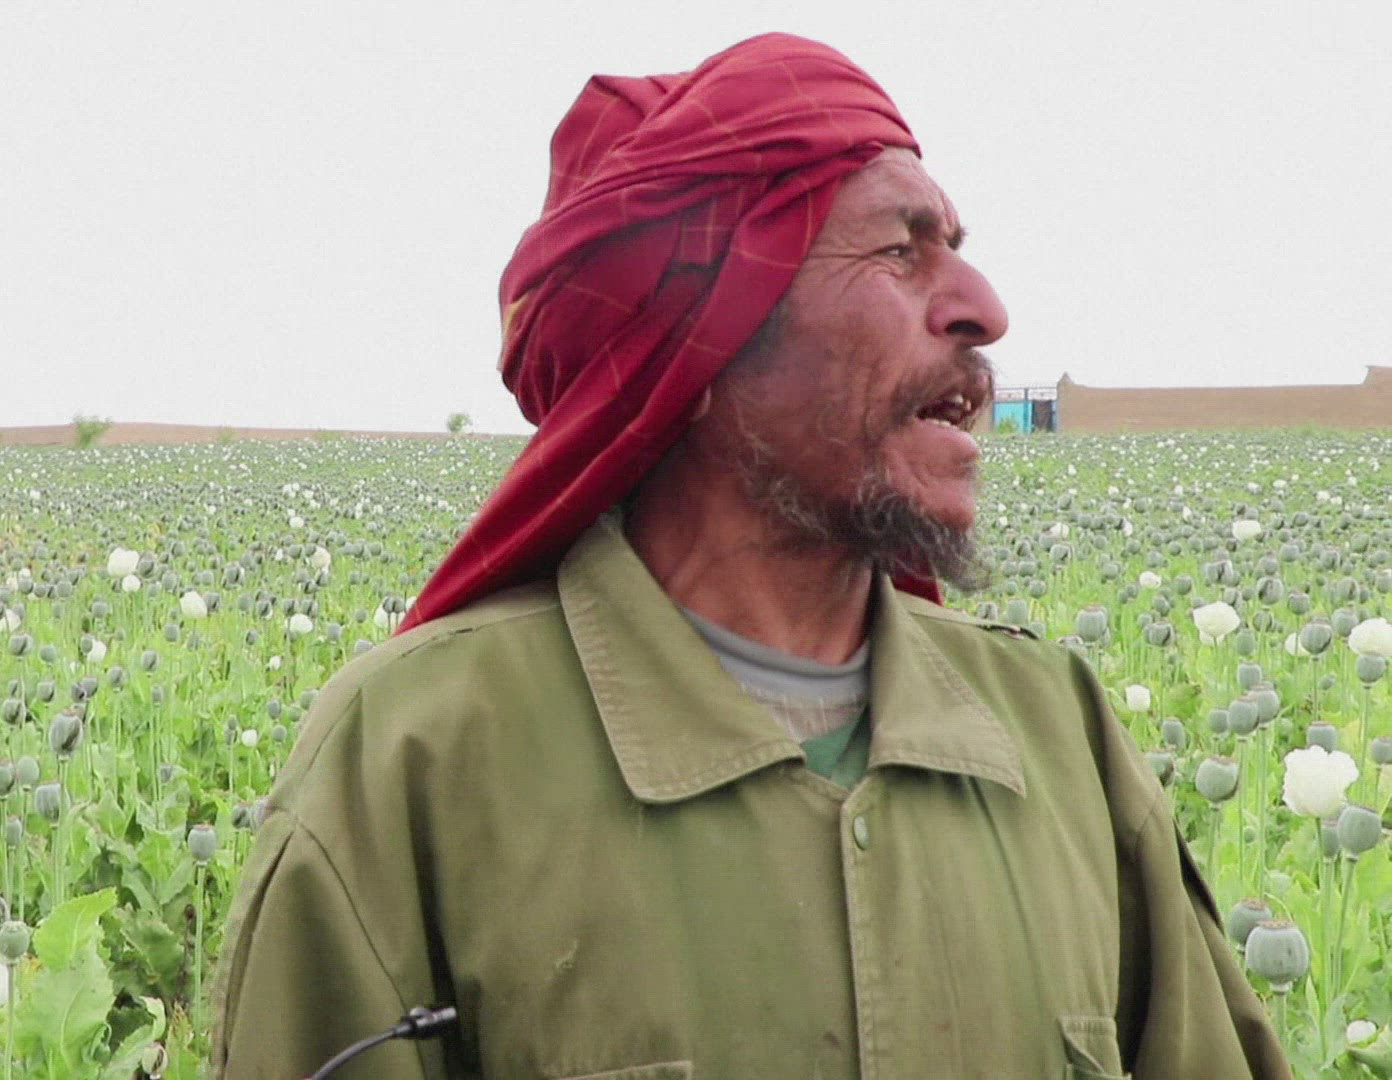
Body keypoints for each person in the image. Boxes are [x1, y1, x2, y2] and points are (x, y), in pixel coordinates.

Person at [209, 33, 1288, 1079]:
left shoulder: (1058, 732)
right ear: (696, 345)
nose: (983, 310)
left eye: (956, 249)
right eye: (899, 250)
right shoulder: (417, 758)